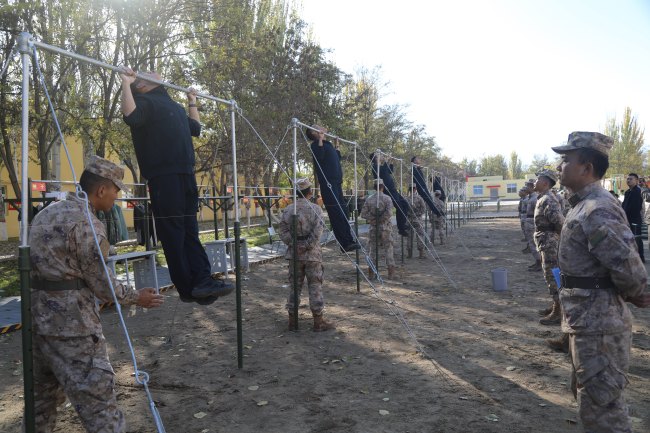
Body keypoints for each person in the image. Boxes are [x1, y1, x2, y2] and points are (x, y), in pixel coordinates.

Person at [29, 156, 165, 433]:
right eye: (115, 190)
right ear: (101, 190)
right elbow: (102, 284)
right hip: (74, 329)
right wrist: (136, 296)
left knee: (41, 405)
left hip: (38, 323)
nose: (116, 197)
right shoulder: (88, 224)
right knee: (100, 406)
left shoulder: (46, 213)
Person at [553, 131, 650, 432]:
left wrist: (638, 292)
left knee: (604, 409)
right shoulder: (582, 204)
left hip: (600, 325)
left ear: (587, 168)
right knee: (592, 400)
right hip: (586, 319)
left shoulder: (598, 208)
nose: (560, 166)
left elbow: (628, 266)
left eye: (567, 160)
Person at [120, 68, 233, 304]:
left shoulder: (172, 104)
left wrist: (192, 102)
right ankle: (187, 287)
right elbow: (130, 116)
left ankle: (202, 280)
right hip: (164, 176)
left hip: (185, 174)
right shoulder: (143, 101)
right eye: (145, 72)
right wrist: (126, 82)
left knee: (190, 229)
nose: (152, 71)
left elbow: (195, 128)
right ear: (141, 84)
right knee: (174, 232)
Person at [278, 178, 335, 332]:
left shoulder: (288, 210)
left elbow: (282, 231)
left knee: (294, 287)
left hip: (294, 255)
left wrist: (295, 245)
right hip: (312, 255)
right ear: (310, 192)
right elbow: (318, 233)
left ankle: (292, 321)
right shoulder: (316, 209)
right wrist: (306, 246)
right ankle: (318, 322)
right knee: (315, 286)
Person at [307, 125, 360, 252]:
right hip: (328, 184)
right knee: (336, 213)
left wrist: (336, 145)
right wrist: (320, 139)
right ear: (314, 133)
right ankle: (344, 244)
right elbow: (319, 157)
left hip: (337, 183)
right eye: (316, 128)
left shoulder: (327, 144)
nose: (320, 128)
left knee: (344, 212)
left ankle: (349, 240)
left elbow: (337, 158)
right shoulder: (315, 145)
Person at [532, 170, 565, 327]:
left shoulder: (548, 199)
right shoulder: (543, 198)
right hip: (546, 241)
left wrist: (559, 240)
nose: (534, 182)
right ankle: (556, 305)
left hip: (550, 242)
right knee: (551, 275)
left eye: (537, 179)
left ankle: (559, 312)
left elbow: (559, 223)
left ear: (545, 183)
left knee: (553, 276)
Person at [361, 179, 397, 279]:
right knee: (388, 249)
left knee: (372, 250)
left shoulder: (369, 199)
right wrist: (381, 220)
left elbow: (363, 214)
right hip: (385, 228)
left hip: (373, 228)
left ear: (374, 187)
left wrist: (373, 219)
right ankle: (391, 273)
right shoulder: (387, 198)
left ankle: (371, 273)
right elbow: (389, 213)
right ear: (383, 187)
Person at [371, 152, 410, 237]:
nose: (381, 156)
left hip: (393, 190)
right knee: (399, 207)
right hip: (387, 191)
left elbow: (389, 171)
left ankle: (403, 224)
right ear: (375, 158)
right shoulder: (374, 167)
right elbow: (383, 172)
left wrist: (391, 162)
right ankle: (401, 228)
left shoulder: (381, 166)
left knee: (405, 205)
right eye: (379, 155)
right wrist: (386, 161)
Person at [622, 173, 645, 262]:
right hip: (626, 219)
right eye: (627, 179)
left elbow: (636, 207)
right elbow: (624, 205)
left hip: (635, 219)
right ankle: (631, 257)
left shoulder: (638, 192)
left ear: (636, 181)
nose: (628, 180)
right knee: (628, 238)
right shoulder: (627, 192)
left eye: (631, 179)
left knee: (637, 238)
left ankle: (640, 257)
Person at [523, 181, 542, 271]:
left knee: (534, 243)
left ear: (531, 187)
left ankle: (539, 263)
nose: (525, 188)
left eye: (527, 186)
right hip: (529, 221)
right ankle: (537, 261)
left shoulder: (535, 198)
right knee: (532, 243)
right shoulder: (531, 197)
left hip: (532, 222)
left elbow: (538, 212)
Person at [407, 184, 427, 258]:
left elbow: (404, 209)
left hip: (409, 219)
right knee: (420, 236)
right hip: (418, 219)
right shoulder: (419, 198)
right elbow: (424, 209)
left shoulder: (407, 199)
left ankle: (409, 254)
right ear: (415, 189)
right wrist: (418, 214)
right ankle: (421, 254)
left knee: (409, 236)